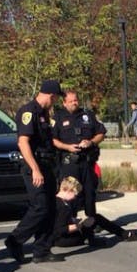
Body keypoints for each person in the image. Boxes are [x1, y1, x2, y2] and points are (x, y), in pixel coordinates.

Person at [5, 79, 67, 264]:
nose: (54, 102)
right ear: (51, 95)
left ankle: (42, 250)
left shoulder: (44, 113)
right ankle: (15, 240)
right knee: (39, 206)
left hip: (48, 164)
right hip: (34, 165)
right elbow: (23, 142)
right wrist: (35, 169)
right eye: (55, 99)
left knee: (50, 208)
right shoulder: (28, 112)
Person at [52, 90, 106, 219]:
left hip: (87, 162)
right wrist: (68, 147)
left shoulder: (87, 115)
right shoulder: (57, 117)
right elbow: (52, 140)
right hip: (69, 163)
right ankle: (71, 223)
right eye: (70, 101)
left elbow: (101, 133)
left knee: (89, 194)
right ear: (64, 103)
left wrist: (91, 142)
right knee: (71, 195)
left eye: (75, 100)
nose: (74, 103)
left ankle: (91, 225)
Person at [52, 176, 137, 246]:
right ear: (66, 190)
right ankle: (122, 234)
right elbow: (60, 230)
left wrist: (76, 220)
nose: (75, 197)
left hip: (60, 237)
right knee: (94, 220)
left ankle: (123, 234)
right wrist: (81, 225)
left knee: (95, 217)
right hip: (64, 239)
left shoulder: (57, 201)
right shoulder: (62, 207)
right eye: (74, 194)